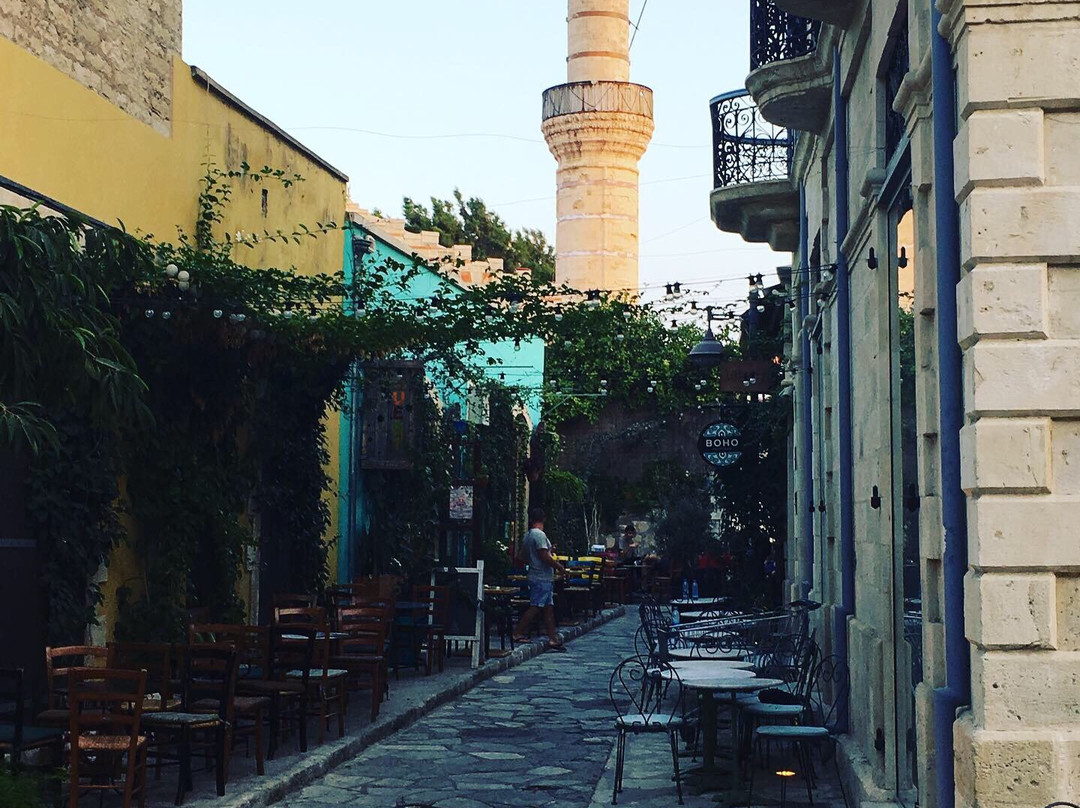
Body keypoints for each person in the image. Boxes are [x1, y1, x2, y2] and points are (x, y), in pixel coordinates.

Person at [513, 507, 567, 651]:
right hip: (541, 576)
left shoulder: (528, 535)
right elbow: (544, 556)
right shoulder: (539, 535)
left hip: (537, 574)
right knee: (536, 606)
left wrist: (535, 559)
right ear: (543, 519)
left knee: (548, 608)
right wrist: (559, 566)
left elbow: (521, 556)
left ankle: (553, 638)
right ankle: (517, 632)